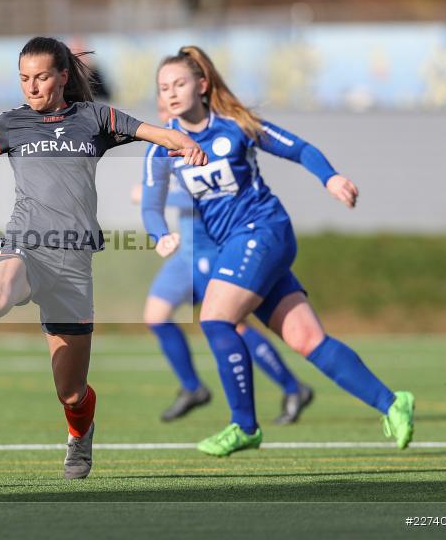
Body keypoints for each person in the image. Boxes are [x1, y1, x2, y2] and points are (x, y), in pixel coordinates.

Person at [0, 36, 207, 479]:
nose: (31, 87)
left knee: (71, 395)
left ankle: (79, 437)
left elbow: (157, 132)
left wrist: (185, 144)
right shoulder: (9, 124)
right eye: (24, 79)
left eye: (42, 77)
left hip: (73, 263)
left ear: (63, 76)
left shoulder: (96, 118)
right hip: (24, 243)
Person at [152, 46, 414, 457]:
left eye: (179, 83)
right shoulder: (163, 146)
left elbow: (299, 148)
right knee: (307, 338)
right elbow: (152, 201)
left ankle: (245, 426)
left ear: (202, 85)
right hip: (237, 247)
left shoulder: (235, 126)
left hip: (264, 230)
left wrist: (330, 178)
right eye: (163, 87)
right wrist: (158, 233)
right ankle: (393, 403)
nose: (170, 93)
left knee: (216, 320)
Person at [141, 98, 313, 424]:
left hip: (210, 250)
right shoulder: (164, 147)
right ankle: (192, 387)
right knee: (156, 315)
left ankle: (292, 386)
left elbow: (213, 189)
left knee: (231, 324)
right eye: (162, 111)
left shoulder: (202, 142)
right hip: (183, 254)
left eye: (169, 110)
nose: (167, 118)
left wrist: (165, 196)